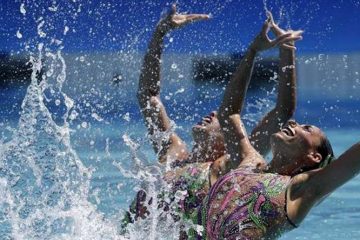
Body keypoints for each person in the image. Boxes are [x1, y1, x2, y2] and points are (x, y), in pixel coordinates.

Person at [123, 4, 301, 237]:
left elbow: (282, 111)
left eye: (218, 117)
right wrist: (159, 34)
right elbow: (148, 96)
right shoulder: (173, 154)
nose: (211, 114)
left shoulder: (238, 162)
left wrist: (286, 50)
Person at [193, 12, 360, 240]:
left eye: (307, 128)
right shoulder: (248, 161)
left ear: (314, 157)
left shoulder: (301, 189)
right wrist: (252, 52)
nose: (293, 123)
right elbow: (229, 113)